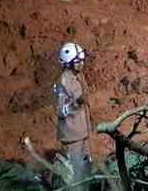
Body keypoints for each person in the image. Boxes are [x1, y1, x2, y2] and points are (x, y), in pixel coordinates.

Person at [54, 42, 92, 191]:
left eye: (82, 61)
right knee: (75, 172)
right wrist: (75, 104)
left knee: (86, 167)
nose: (81, 64)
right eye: (77, 62)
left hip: (83, 131)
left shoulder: (79, 77)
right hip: (71, 135)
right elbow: (60, 110)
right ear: (68, 63)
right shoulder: (63, 82)